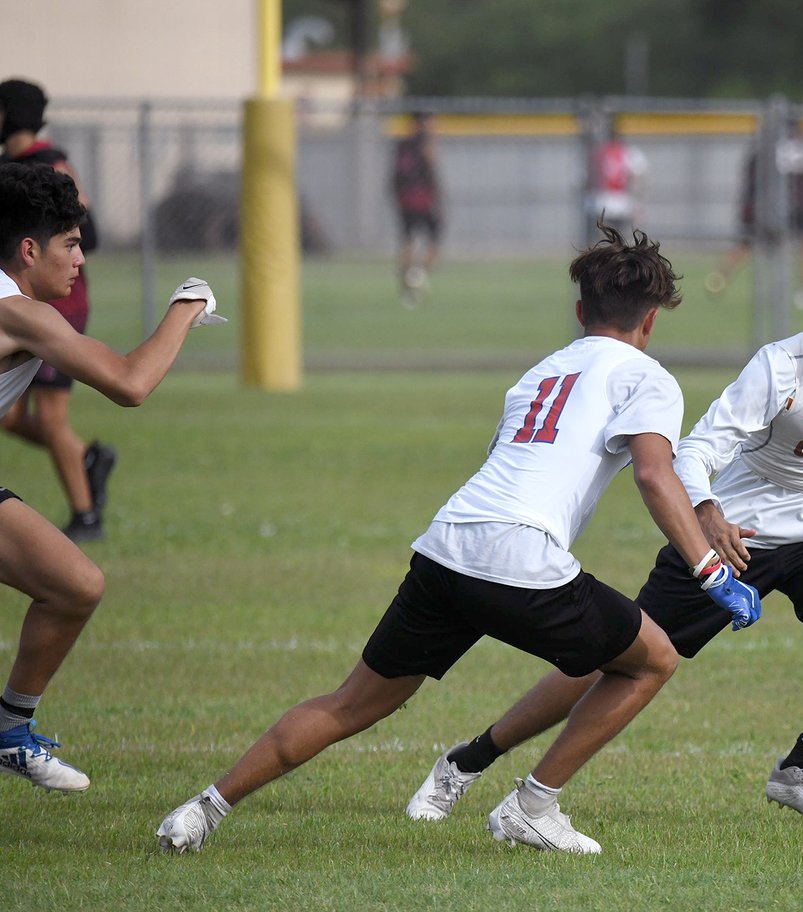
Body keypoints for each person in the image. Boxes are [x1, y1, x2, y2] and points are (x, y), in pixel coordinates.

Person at [156, 224, 761, 856]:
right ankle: (533, 804)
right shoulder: (649, 377)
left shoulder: (540, 372)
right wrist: (711, 572)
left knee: (351, 702)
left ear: (581, 310)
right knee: (653, 658)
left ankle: (204, 809)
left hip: (448, 545)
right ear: (652, 321)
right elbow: (654, 473)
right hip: (521, 556)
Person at [405, 249, 803, 825]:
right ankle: (469, 760)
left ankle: (799, 766)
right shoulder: (781, 366)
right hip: (734, 536)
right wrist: (705, 512)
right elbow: (696, 451)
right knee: (610, 659)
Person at [0, 161, 225, 793]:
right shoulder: (22, 313)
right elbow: (130, 383)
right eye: (70, 244)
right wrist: (189, 304)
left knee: (75, 584)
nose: (79, 260)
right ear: (28, 249)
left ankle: (10, 729)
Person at [0, 78, 116, 542]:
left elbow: (88, 227)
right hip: (22, 298)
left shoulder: (50, 162)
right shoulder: (12, 167)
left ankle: (85, 514)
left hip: (58, 303)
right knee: (11, 417)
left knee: (49, 418)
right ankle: (87, 456)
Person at [706, 119, 803, 309]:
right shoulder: (801, 145)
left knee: (757, 245)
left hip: (776, 205)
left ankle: (719, 280)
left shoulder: (769, 147)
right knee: (800, 246)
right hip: (790, 204)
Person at [390, 112, 441, 304]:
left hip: (404, 199)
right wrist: (439, 197)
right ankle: (417, 277)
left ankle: (405, 283)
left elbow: (394, 176)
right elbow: (431, 168)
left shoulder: (402, 144)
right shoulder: (425, 141)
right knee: (434, 240)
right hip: (423, 198)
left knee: (408, 240)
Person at [587, 123, 647, 239]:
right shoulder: (627, 152)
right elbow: (639, 176)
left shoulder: (599, 152)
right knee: (619, 236)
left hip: (606, 199)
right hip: (617, 199)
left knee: (605, 235)